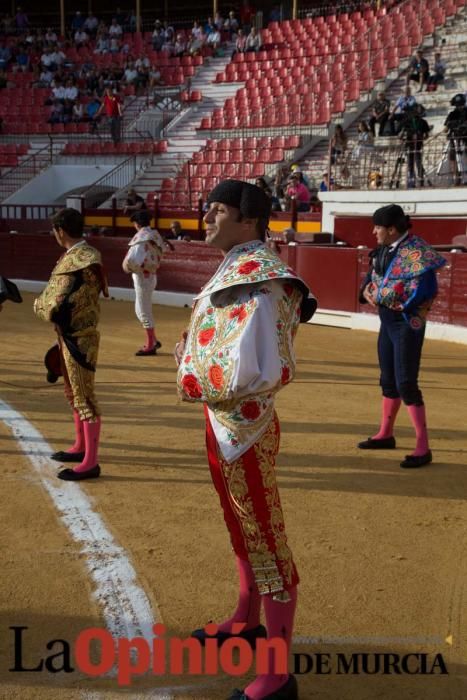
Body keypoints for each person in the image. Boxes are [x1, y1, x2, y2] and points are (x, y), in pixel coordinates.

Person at [175, 179, 316, 700]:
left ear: (248, 219)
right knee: (240, 523)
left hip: (245, 425)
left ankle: (277, 674)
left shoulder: (265, 279)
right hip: (224, 419)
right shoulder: (241, 268)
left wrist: (192, 368)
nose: (206, 218)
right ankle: (245, 619)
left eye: (217, 210)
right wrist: (193, 355)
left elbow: (264, 365)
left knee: (265, 536)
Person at [358, 204, 446, 468]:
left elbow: (427, 290)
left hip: (407, 323)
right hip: (387, 322)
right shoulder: (385, 250)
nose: (374, 232)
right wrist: (366, 292)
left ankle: (423, 446)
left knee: (406, 382)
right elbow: (370, 278)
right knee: (388, 379)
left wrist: (389, 298)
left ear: (392, 229)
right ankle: (386, 434)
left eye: (378, 227)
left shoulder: (417, 252)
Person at [33, 208, 108, 481]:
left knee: (85, 396)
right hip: (72, 333)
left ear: (60, 231)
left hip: (79, 336)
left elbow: (54, 302)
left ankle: (90, 461)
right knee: (73, 392)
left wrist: (39, 307)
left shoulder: (76, 259)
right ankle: (80, 447)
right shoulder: (83, 256)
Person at [123, 210, 172, 356]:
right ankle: (153, 340)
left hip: (142, 277)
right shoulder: (154, 235)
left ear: (136, 224)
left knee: (143, 311)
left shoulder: (142, 238)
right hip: (150, 276)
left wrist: (127, 267)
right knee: (140, 309)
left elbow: (132, 260)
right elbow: (164, 249)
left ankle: (151, 345)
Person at [400, 103, 430, 188]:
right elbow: (400, 135)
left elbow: (426, 135)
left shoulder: (423, 122)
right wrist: (404, 136)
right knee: (410, 164)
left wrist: (421, 137)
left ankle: (421, 181)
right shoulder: (407, 121)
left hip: (418, 145)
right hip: (409, 145)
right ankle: (411, 181)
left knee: (418, 163)